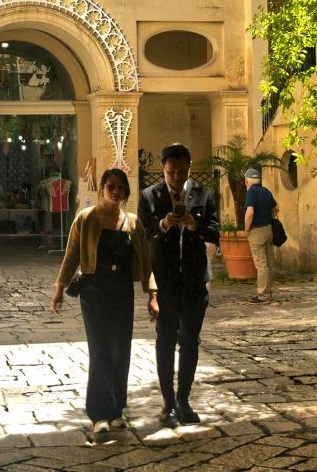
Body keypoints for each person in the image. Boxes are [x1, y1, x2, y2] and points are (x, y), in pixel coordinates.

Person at [51, 168, 158, 437]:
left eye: (120, 187)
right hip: (94, 293)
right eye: (110, 185)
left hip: (122, 292)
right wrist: (60, 288)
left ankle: (116, 409)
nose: (115, 190)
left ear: (125, 192)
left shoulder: (133, 223)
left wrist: (152, 295)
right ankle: (98, 413)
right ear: (102, 188)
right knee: (100, 351)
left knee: (121, 351)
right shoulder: (86, 219)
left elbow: (145, 261)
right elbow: (72, 254)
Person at [138, 143, 219, 427]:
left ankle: (184, 400)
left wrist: (195, 227)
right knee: (165, 341)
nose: (176, 177)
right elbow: (143, 236)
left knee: (190, 342)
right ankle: (168, 402)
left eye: (181, 172)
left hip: (195, 280)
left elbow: (215, 230)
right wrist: (162, 225)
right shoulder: (149, 196)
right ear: (163, 170)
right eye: (171, 172)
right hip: (165, 282)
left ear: (189, 168)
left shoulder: (203, 194)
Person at [243, 167, 277, 303]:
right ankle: (268, 292)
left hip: (256, 231)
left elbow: (250, 212)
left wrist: (246, 229)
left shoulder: (251, 193)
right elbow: (275, 208)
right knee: (269, 264)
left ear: (247, 181)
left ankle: (262, 295)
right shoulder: (266, 191)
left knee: (261, 264)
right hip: (268, 229)